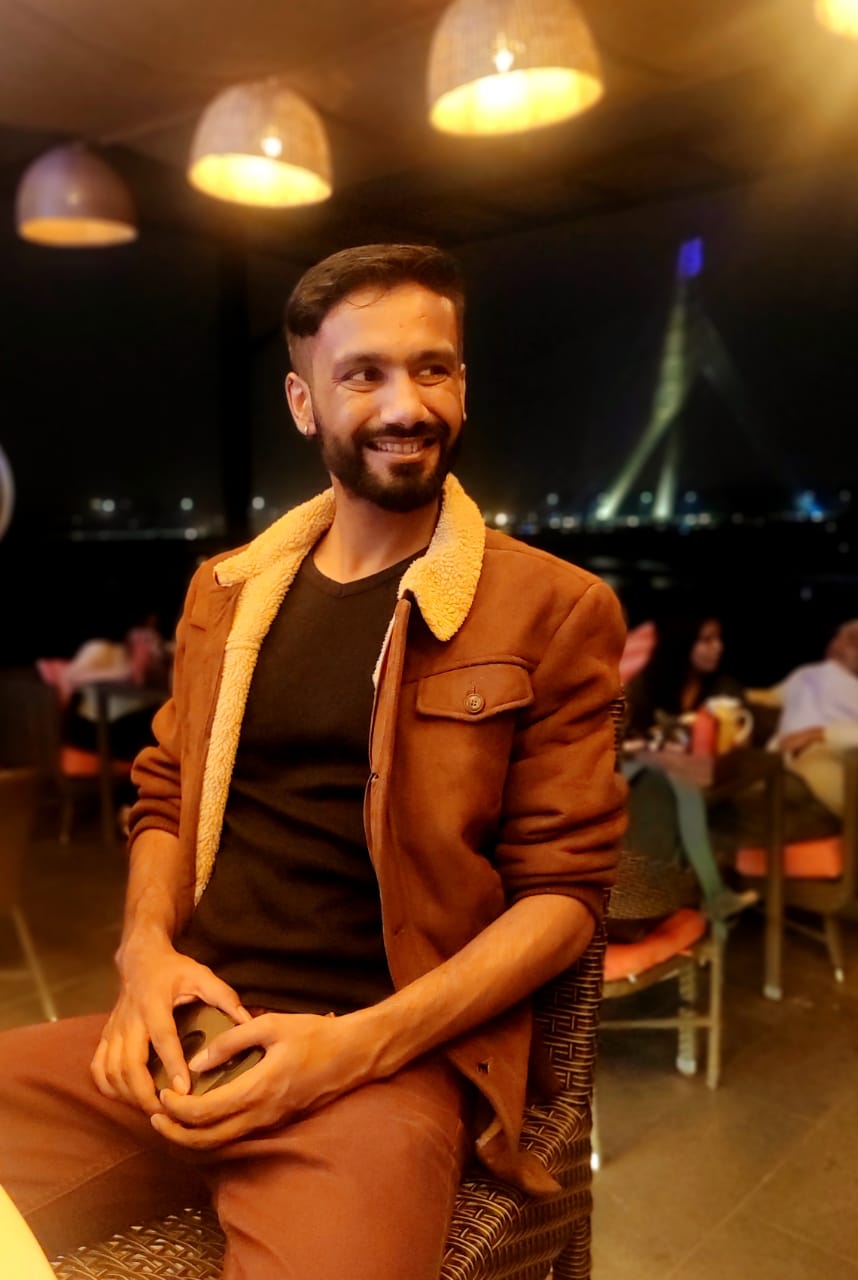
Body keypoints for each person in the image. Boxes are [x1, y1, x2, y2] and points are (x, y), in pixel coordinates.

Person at [0, 244, 626, 1280]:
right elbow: (163, 796)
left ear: (463, 385)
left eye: (432, 368)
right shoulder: (226, 593)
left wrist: (356, 1045)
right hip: (188, 1031)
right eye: (363, 374)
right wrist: (144, 955)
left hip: (379, 1067)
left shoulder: (552, 607)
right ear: (304, 402)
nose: (405, 404)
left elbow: (565, 898)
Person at [625, 612, 745, 740]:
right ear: (683, 642)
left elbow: (739, 735)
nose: (718, 647)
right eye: (707, 640)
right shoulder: (647, 684)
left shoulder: (725, 689)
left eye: (719, 638)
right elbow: (630, 735)